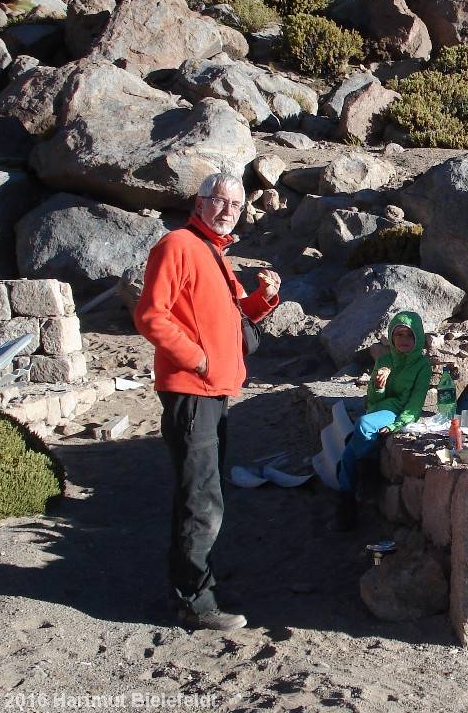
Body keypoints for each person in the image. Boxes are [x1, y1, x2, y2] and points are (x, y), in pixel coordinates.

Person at [134, 172, 280, 632]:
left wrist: (262, 299)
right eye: (219, 201)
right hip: (191, 388)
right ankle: (195, 601)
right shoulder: (178, 245)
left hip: (214, 390)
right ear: (199, 203)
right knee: (200, 496)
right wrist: (195, 358)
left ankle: (194, 580)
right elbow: (150, 314)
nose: (227, 210)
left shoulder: (215, 254)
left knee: (205, 491)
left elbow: (237, 318)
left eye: (235, 206)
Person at [333, 311, 432, 530]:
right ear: (391, 337)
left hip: (397, 412)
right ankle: (346, 507)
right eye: (399, 334)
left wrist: (397, 425)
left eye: (409, 335)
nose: (404, 340)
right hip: (379, 409)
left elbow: (415, 404)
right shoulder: (385, 361)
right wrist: (379, 385)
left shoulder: (422, 366)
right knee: (349, 454)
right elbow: (373, 399)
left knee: (362, 426)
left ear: (417, 338)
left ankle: (366, 479)